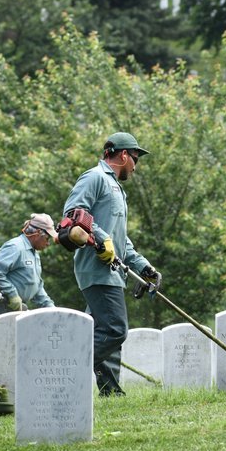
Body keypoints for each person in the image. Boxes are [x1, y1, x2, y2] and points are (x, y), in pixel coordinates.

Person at [62, 132, 161, 396]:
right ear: (124, 155)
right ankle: (63, 368)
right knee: (115, 330)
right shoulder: (94, 177)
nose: (135, 167)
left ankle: (111, 392)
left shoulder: (117, 189)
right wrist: (102, 238)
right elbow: (73, 215)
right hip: (96, 270)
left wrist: (143, 267)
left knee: (103, 334)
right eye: (135, 160)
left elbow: (120, 239)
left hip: (113, 272)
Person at [0, 213, 57, 316]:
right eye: (47, 238)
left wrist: (50, 307)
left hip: (18, 310)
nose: (48, 243)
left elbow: (36, 285)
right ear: (38, 233)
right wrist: (12, 294)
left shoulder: (34, 254)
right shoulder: (15, 247)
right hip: (4, 308)